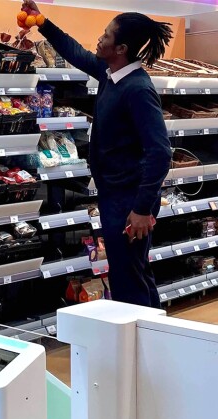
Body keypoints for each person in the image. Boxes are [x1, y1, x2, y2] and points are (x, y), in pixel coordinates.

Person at [23, 1, 173, 307]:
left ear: (121, 48)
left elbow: (160, 153)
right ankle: (149, 339)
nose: (100, 39)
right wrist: (42, 22)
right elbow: (76, 53)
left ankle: (137, 344)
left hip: (130, 201)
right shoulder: (111, 75)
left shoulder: (137, 89)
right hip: (114, 194)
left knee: (128, 279)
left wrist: (142, 208)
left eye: (106, 35)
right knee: (131, 271)